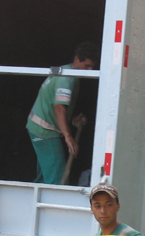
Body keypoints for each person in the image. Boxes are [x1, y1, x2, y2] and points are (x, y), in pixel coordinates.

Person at [26, 41, 100, 184]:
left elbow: (58, 107)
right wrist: (68, 137)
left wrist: (72, 121)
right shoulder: (67, 79)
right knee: (57, 178)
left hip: (39, 128)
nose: (90, 71)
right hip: (45, 131)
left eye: (93, 67)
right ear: (77, 59)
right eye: (87, 66)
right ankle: (52, 205)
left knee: (45, 176)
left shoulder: (68, 73)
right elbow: (59, 107)